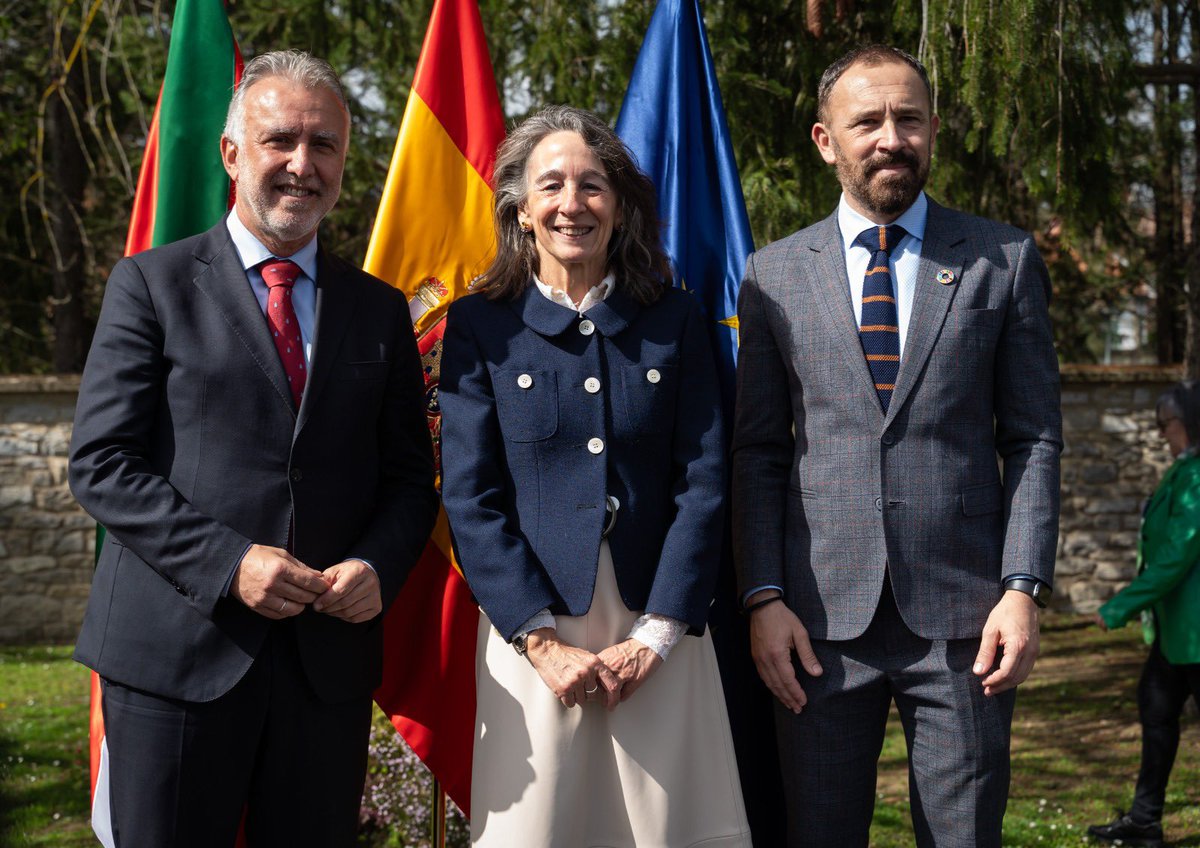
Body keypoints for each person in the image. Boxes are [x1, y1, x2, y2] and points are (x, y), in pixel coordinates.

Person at [68, 50, 438, 846]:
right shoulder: (150, 285)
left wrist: (377, 564)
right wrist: (230, 564)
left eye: (325, 145)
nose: (303, 165)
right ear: (233, 154)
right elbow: (102, 462)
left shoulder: (377, 311)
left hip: (323, 668)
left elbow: (411, 478)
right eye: (281, 140)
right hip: (176, 656)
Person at [732, 44, 1063, 847]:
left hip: (965, 624)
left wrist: (1022, 587)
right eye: (868, 121)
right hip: (815, 628)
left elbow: (1033, 439)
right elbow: (758, 454)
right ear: (825, 140)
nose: (891, 137)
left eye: (908, 119)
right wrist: (764, 597)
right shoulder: (772, 275)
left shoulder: (1002, 260)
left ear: (934, 130)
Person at [438, 105, 752, 847]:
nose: (571, 204)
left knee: (671, 829)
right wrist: (540, 642)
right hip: (533, 632)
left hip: (660, 623)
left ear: (620, 207)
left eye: (592, 186)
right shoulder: (481, 327)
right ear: (520, 209)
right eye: (551, 186)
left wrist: (658, 634)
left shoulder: (673, 319)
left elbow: (704, 482)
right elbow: (470, 498)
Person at [1086, 382, 1200, 848]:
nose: (1159, 433)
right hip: (1177, 634)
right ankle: (1145, 821)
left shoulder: (1196, 478)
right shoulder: (1184, 470)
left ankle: (1145, 819)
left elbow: (1175, 557)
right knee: (1155, 712)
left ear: (1189, 422)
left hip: (1195, 635)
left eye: (1165, 423)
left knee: (1158, 714)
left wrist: (1119, 606)